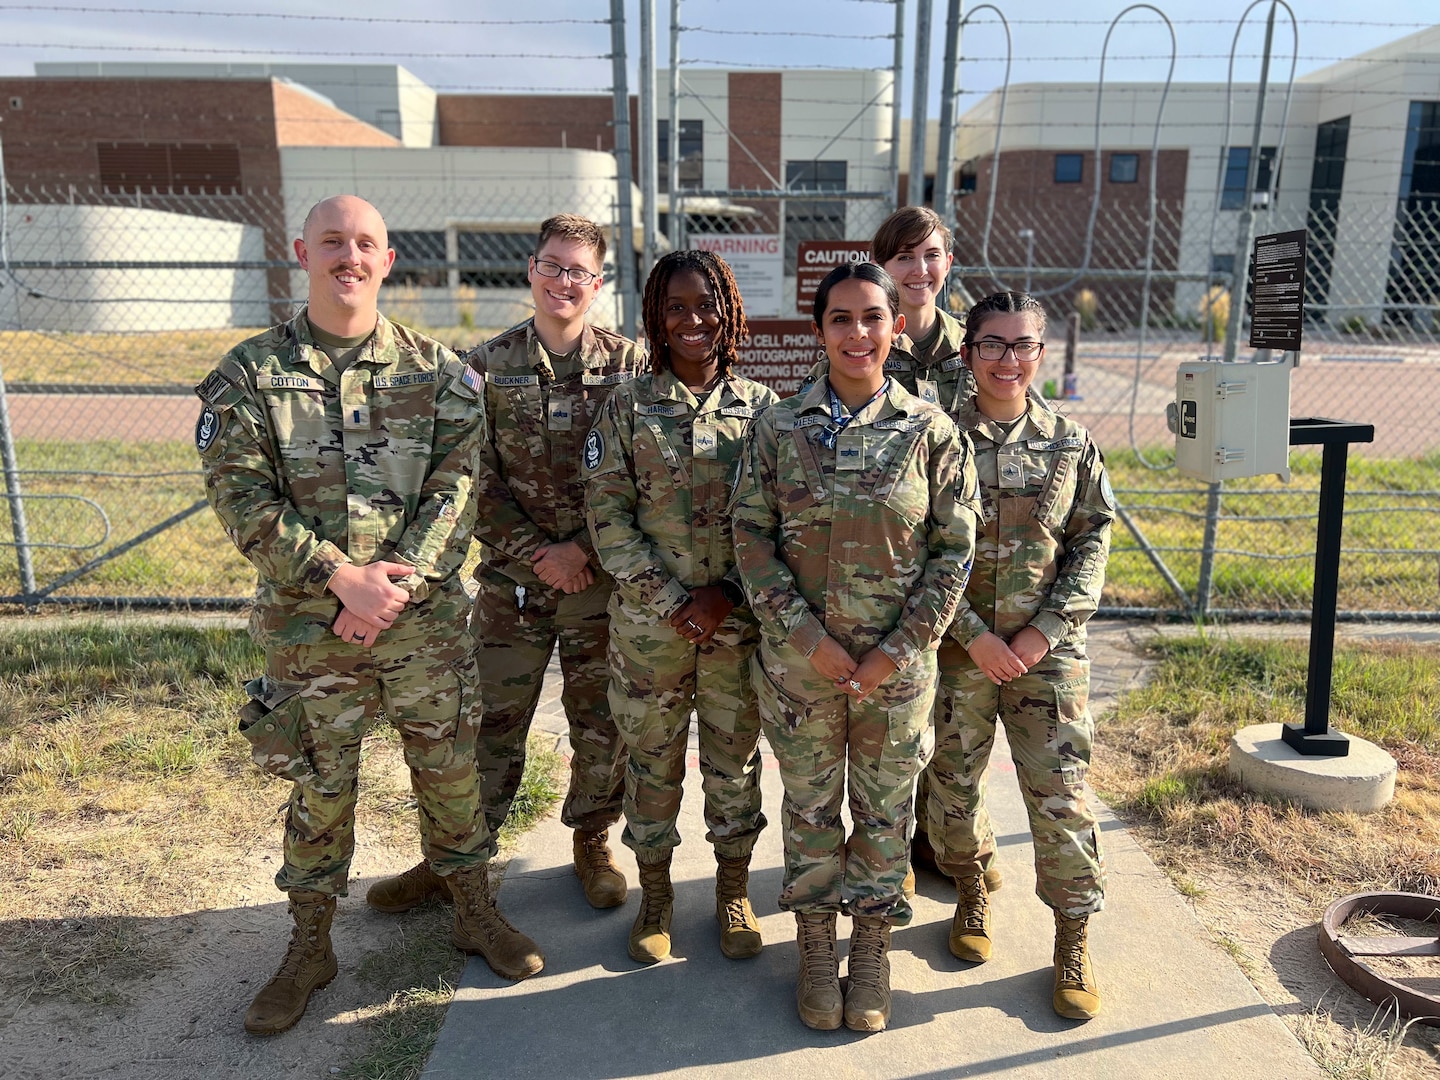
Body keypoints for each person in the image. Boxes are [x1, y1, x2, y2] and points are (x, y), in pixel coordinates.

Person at [195, 195, 543, 1037]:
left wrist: (393, 589)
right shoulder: (248, 374)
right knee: (319, 789)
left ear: (389, 260)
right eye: (333, 242)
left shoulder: (439, 372)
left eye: (366, 244)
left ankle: (472, 909)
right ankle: (310, 946)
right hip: (309, 633)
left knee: (452, 774)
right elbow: (241, 496)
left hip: (420, 628)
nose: (349, 256)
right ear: (301, 252)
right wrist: (338, 579)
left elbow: (459, 492)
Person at [365, 214, 642, 915]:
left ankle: (591, 845)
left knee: (601, 725)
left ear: (598, 281)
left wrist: (582, 549)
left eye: (578, 270)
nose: (563, 281)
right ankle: (455, 860)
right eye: (552, 265)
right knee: (486, 725)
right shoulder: (486, 366)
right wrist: (538, 553)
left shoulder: (630, 366)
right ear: (530, 269)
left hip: (598, 585)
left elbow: (644, 474)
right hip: (513, 589)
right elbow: (466, 478)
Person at [730, 262, 980, 1033]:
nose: (858, 333)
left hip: (895, 675)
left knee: (883, 813)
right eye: (841, 319)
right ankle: (814, 945)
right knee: (809, 809)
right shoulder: (777, 427)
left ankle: (870, 949)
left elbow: (955, 552)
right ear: (820, 330)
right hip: (801, 668)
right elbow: (749, 537)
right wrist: (808, 638)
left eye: (873, 317)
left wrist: (895, 651)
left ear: (894, 326)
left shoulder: (933, 431)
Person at [583, 250, 776, 965]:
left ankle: (732, 892)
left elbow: (779, 523)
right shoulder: (627, 407)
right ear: (656, 323)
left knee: (734, 764)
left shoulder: (762, 412)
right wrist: (671, 601)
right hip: (649, 634)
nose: (693, 319)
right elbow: (608, 517)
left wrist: (725, 596)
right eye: (676, 309)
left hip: (736, 630)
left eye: (706, 305)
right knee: (652, 762)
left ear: (727, 311)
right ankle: (657, 895)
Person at [926, 290, 1114, 1021]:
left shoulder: (1070, 441)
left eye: (1023, 345)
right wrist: (973, 633)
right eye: (993, 344)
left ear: (1041, 353)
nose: (1008, 359)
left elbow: (1092, 540)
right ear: (968, 352)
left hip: (1047, 652)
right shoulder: (935, 439)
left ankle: (1072, 938)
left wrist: (1043, 632)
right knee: (951, 787)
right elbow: (919, 548)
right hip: (958, 647)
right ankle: (971, 890)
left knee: (1061, 795)